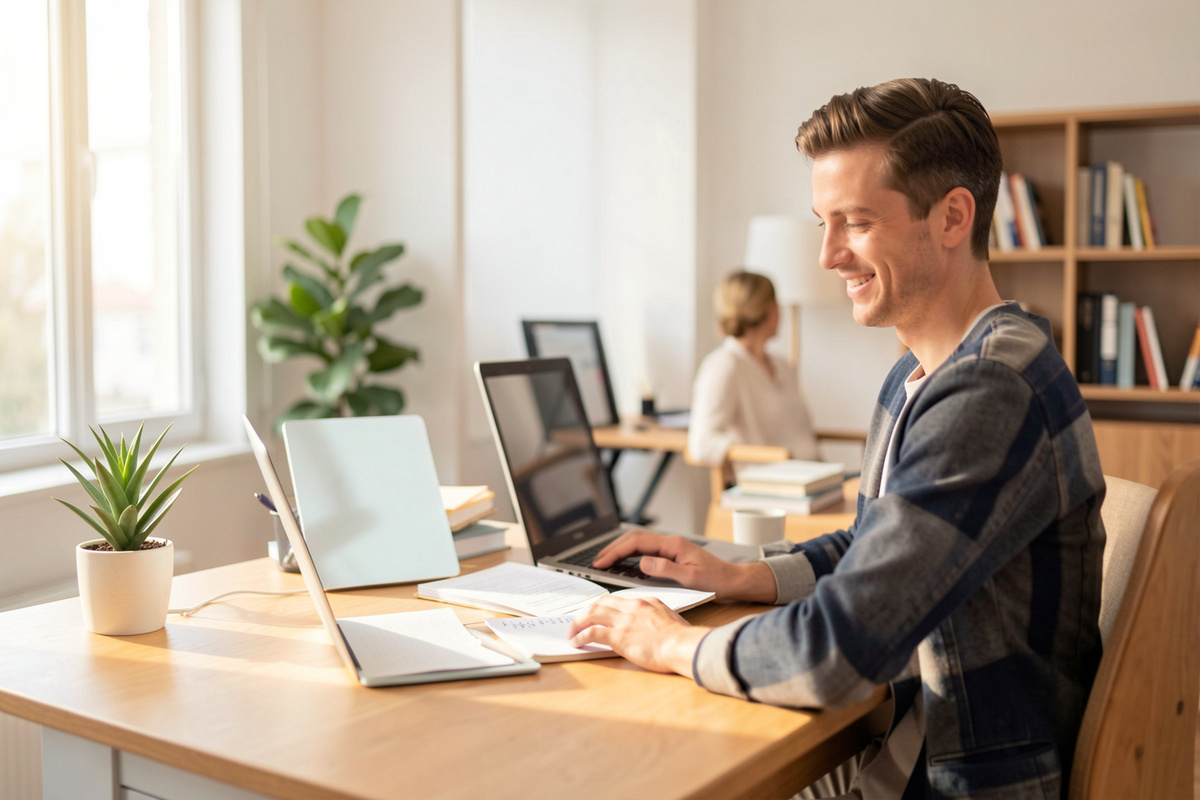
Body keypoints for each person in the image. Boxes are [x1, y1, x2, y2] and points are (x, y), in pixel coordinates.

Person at [569, 78, 1106, 800]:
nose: (827, 256)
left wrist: (669, 641)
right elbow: (878, 548)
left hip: (960, 777)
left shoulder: (988, 389)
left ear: (952, 218)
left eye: (854, 222)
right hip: (906, 742)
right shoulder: (920, 375)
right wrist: (742, 576)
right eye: (823, 222)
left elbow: (836, 654)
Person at [687, 270, 820, 473]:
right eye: (776, 303)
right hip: (775, 484)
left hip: (815, 474)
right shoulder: (723, 367)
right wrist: (747, 457)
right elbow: (701, 443)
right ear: (768, 310)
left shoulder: (783, 366)